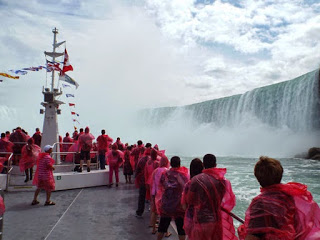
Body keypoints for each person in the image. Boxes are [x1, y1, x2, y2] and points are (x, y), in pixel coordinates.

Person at [238, 156, 320, 240]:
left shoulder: (260, 202)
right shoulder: (291, 197)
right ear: (280, 174)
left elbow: (252, 237)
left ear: (258, 177)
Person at [182, 154, 237, 240]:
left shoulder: (195, 180)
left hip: (200, 221)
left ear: (203, 165)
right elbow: (225, 199)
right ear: (215, 165)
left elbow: (190, 200)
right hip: (216, 221)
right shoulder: (222, 181)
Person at [156, 156, 189, 240]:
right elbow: (186, 189)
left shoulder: (165, 174)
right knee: (181, 229)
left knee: (162, 227)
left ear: (170, 163)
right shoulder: (183, 175)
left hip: (167, 204)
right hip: (179, 206)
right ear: (179, 164)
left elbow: (161, 185)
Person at [150, 156, 170, 235]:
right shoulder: (167, 171)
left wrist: (152, 194)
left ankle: (154, 229)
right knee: (165, 213)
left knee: (154, 211)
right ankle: (166, 232)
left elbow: (153, 183)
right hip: (163, 195)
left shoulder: (155, 171)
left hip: (155, 193)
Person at [135, 147, 151, 218]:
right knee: (153, 198)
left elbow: (137, 170)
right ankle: (154, 216)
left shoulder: (142, 160)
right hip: (151, 182)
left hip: (143, 180)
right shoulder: (155, 161)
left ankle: (139, 212)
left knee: (141, 197)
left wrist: (137, 179)